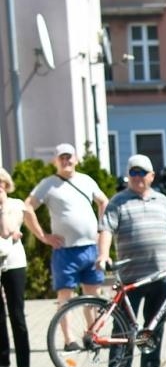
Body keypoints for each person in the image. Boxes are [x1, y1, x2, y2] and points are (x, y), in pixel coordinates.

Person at [101, 153, 166, 367]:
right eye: (133, 173)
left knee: (156, 320)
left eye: (142, 173)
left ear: (151, 176)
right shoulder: (118, 201)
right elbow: (106, 229)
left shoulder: (162, 200)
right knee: (124, 324)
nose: (138, 177)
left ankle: (150, 364)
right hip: (131, 275)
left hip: (159, 272)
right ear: (128, 176)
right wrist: (103, 255)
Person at [23, 143, 110, 349]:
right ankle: (68, 339)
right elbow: (27, 207)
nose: (66, 161)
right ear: (55, 161)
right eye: (61, 157)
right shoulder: (48, 184)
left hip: (90, 248)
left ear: (76, 159)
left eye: (69, 157)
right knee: (65, 297)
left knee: (92, 295)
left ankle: (92, 334)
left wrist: (101, 230)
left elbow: (104, 202)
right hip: (65, 251)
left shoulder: (86, 180)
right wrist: (43, 236)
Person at [0, 166, 34, 367]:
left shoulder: (15, 205)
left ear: (6, 185)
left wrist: (2, 207)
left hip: (13, 264)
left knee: (17, 314)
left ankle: (24, 365)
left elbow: (7, 230)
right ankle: (3, 363)